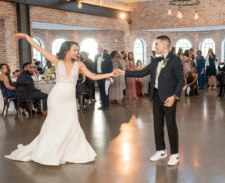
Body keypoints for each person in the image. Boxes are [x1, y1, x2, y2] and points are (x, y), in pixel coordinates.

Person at [5, 33, 120, 166]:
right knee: (54, 125)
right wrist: (26, 36)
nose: (77, 52)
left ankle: (71, 153)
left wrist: (111, 73)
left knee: (72, 125)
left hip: (70, 100)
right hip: (56, 98)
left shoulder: (80, 64)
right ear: (66, 51)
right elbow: (38, 48)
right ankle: (49, 152)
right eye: (74, 50)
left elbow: (93, 76)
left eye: (77, 50)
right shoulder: (56, 61)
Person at [120, 35, 184, 166]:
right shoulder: (155, 60)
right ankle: (161, 151)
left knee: (171, 125)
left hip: (169, 97)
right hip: (156, 95)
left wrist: (174, 96)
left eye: (157, 44)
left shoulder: (175, 60)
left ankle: (175, 154)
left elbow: (181, 80)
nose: (155, 47)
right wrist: (123, 73)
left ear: (165, 45)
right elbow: (142, 72)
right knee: (157, 124)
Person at [94, 45, 113, 111]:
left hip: (105, 76)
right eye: (98, 48)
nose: (99, 49)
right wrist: (95, 74)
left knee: (106, 91)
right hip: (98, 76)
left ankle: (106, 105)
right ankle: (103, 105)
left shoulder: (107, 56)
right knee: (101, 91)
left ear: (103, 48)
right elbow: (95, 66)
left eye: (101, 48)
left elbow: (110, 67)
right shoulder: (96, 56)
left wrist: (109, 76)